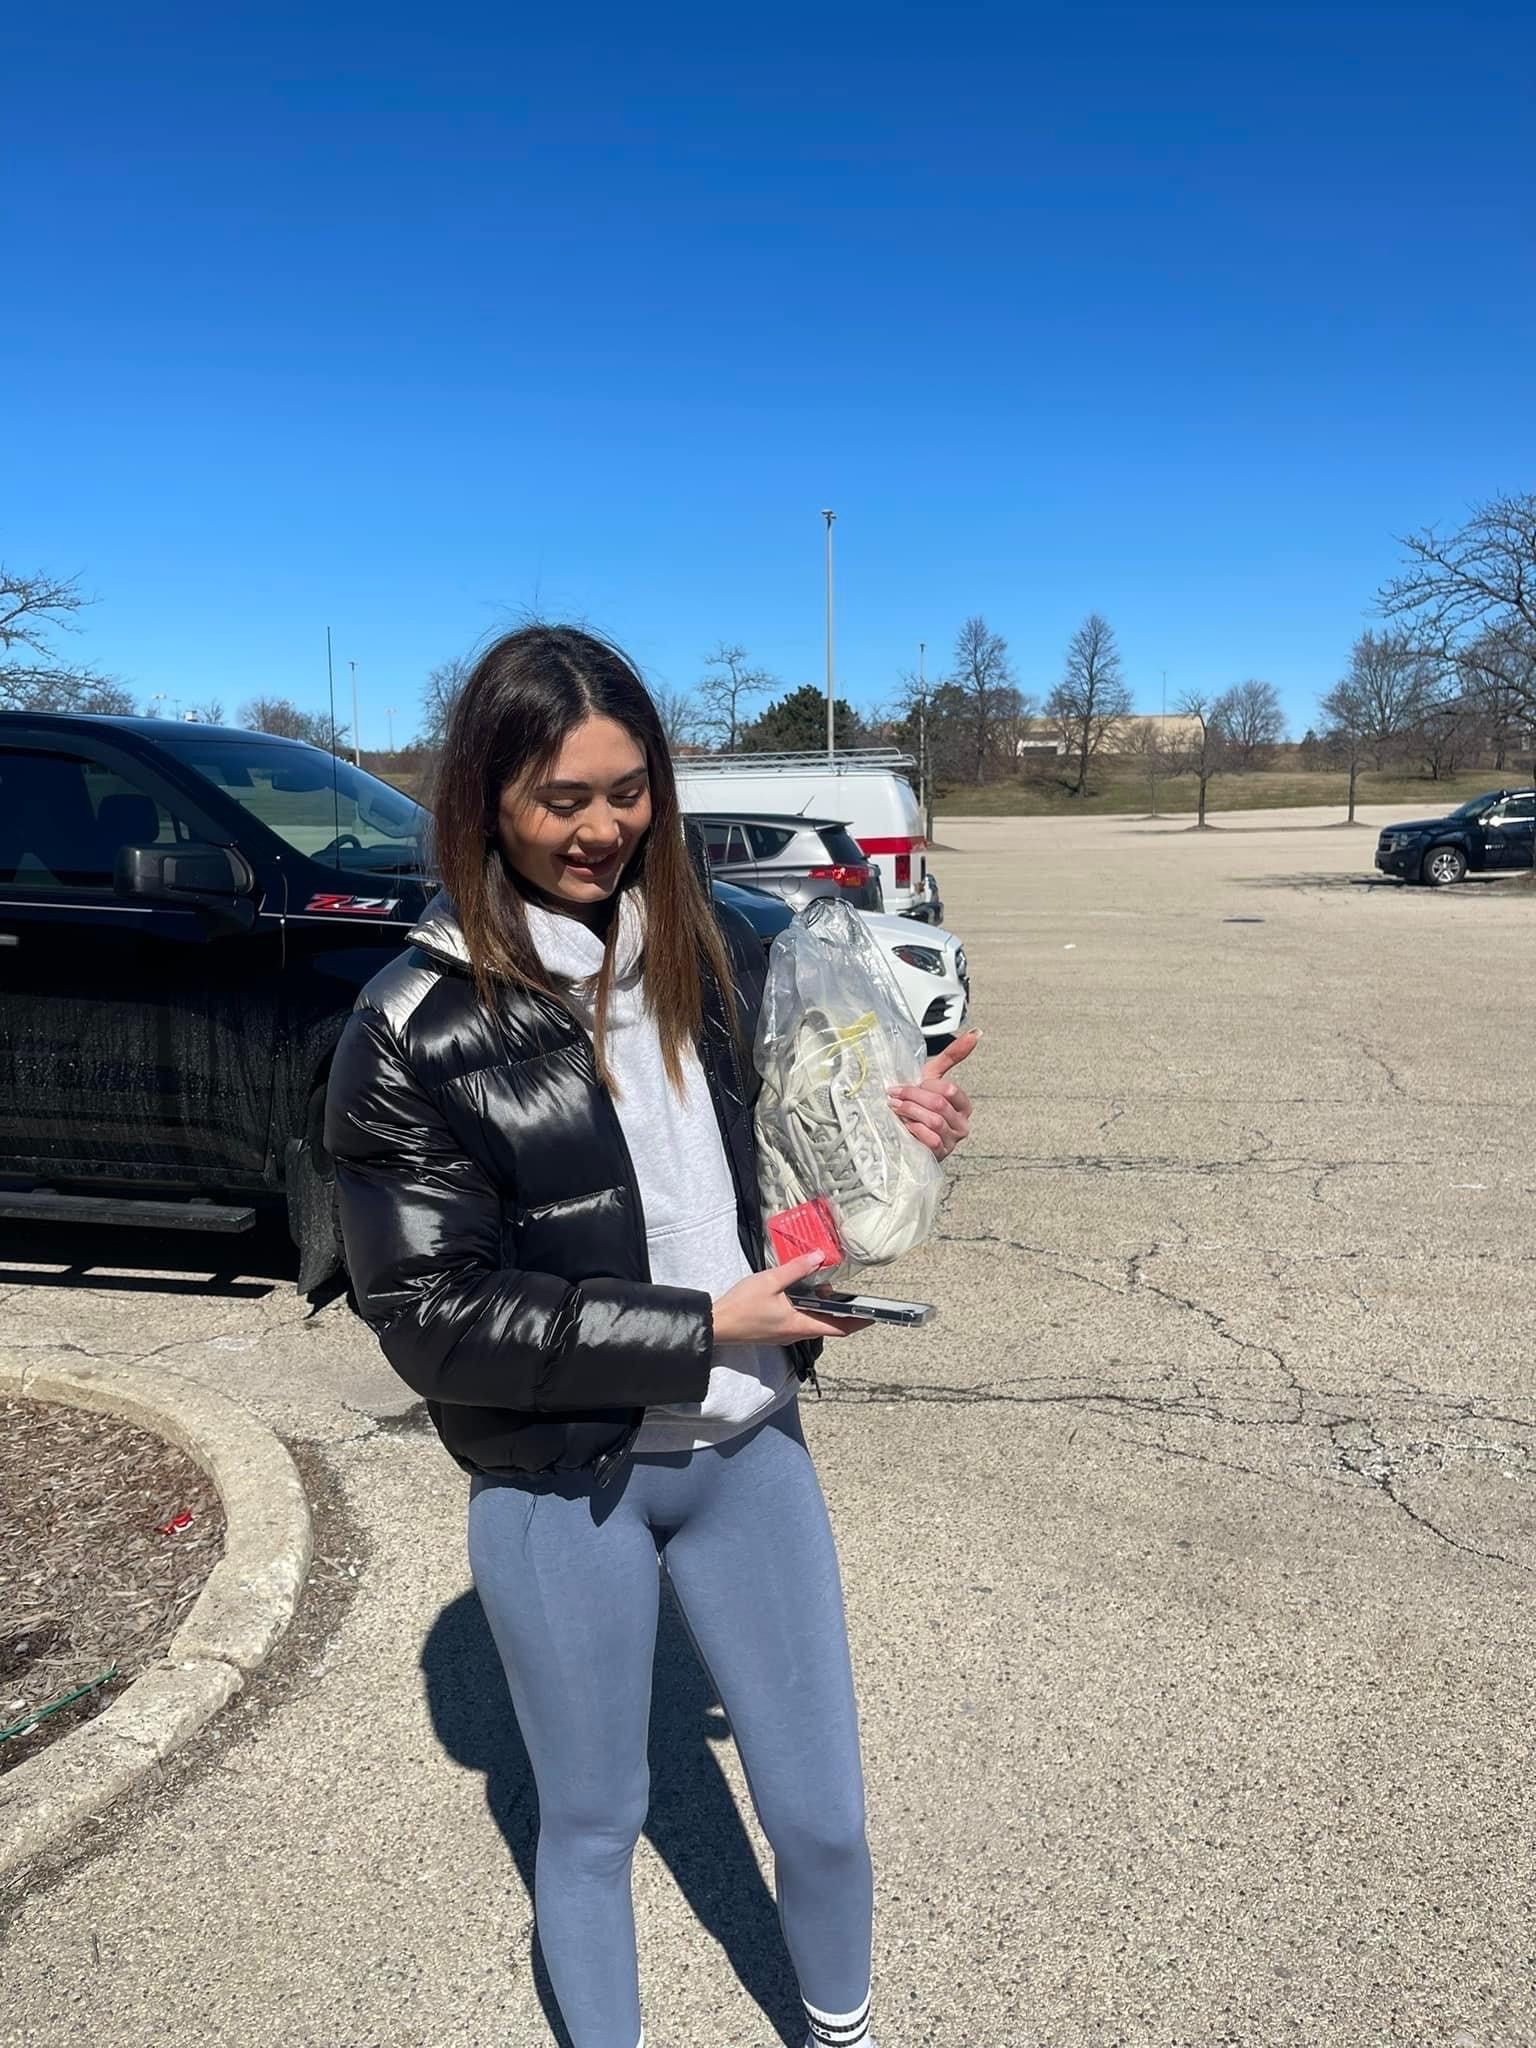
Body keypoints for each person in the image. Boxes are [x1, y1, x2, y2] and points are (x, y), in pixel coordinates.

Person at [325, 625, 975, 2048]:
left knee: (825, 1824)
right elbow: (433, 1319)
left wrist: (894, 1145)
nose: (604, 827)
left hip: (751, 1448)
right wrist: (698, 1322)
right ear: (487, 797)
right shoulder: (410, 1028)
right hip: (565, 1485)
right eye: (564, 797)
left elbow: (786, 1179)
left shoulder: (717, 957)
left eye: (630, 790)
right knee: (595, 1826)